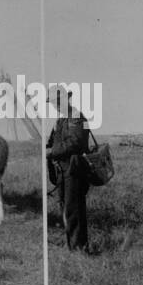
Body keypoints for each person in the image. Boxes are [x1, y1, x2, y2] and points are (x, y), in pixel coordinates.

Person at [46, 88, 92, 252]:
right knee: (66, 208)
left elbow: (76, 143)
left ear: (67, 99)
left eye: (58, 101)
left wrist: (52, 152)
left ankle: (78, 248)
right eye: (54, 102)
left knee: (74, 209)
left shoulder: (77, 117)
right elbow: (53, 141)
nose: (56, 105)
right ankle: (72, 245)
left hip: (74, 169)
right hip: (63, 171)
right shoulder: (61, 120)